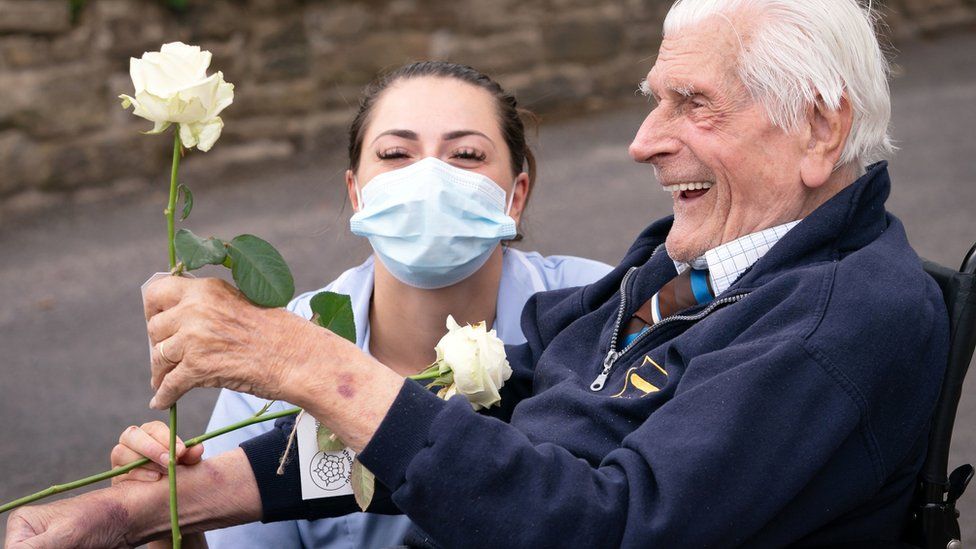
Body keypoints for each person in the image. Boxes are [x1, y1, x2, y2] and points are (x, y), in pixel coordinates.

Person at [4, 0, 950, 547]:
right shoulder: (689, 262)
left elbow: (608, 528)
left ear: (822, 128)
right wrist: (138, 506)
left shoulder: (831, 322)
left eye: (691, 103)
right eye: (654, 102)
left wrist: (308, 366)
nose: (642, 142)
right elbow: (476, 425)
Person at [108, 60, 613, 549]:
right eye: (396, 155)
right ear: (357, 192)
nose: (429, 179)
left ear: (515, 195)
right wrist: (167, 525)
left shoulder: (608, 310)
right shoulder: (266, 361)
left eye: (466, 156)